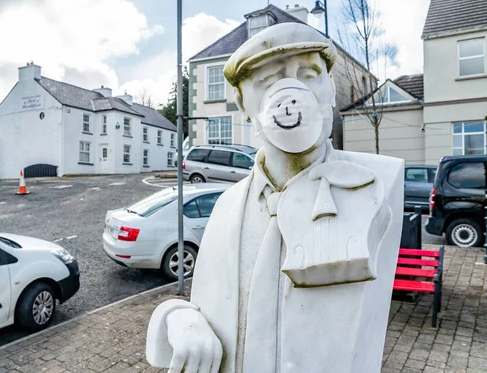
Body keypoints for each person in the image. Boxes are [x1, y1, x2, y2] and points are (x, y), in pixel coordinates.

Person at [146, 23, 404, 373]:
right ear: (242, 103)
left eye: (308, 73)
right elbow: (205, 310)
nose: (292, 94)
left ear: (329, 87)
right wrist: (175, 316)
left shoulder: (378, 183)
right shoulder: (226, 207)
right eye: (268, 81)